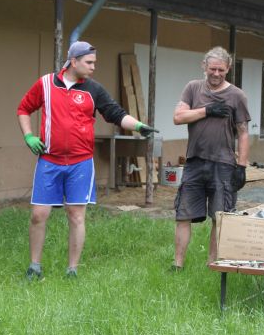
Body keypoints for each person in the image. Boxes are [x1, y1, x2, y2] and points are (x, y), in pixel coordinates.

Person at [17, 41, 158, 279]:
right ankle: (34, 267)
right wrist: (29, 136)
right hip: (49, 161)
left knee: (76, 215)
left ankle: (72, 269)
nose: (93, 67)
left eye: (94, 63)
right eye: (89, 62)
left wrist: (139, 126)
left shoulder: (93, 89)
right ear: (74, 61)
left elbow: (115, 113)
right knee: (38, 214)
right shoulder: (46, 84)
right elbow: (23, 108)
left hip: (80, 163)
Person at [171, 46, 250, 270]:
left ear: (229, 69)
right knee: (183, 214)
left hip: (224, 164)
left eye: (221, 70)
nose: (216, 74)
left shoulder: (237, 96)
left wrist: (242, 167)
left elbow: (243, 132)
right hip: (194, 161)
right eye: (212, 69)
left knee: (220, 216)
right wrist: (207, 110)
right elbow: (178, 117)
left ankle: (212, 263)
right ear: (204, 66)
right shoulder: (193, 88)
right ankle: (177, 264)